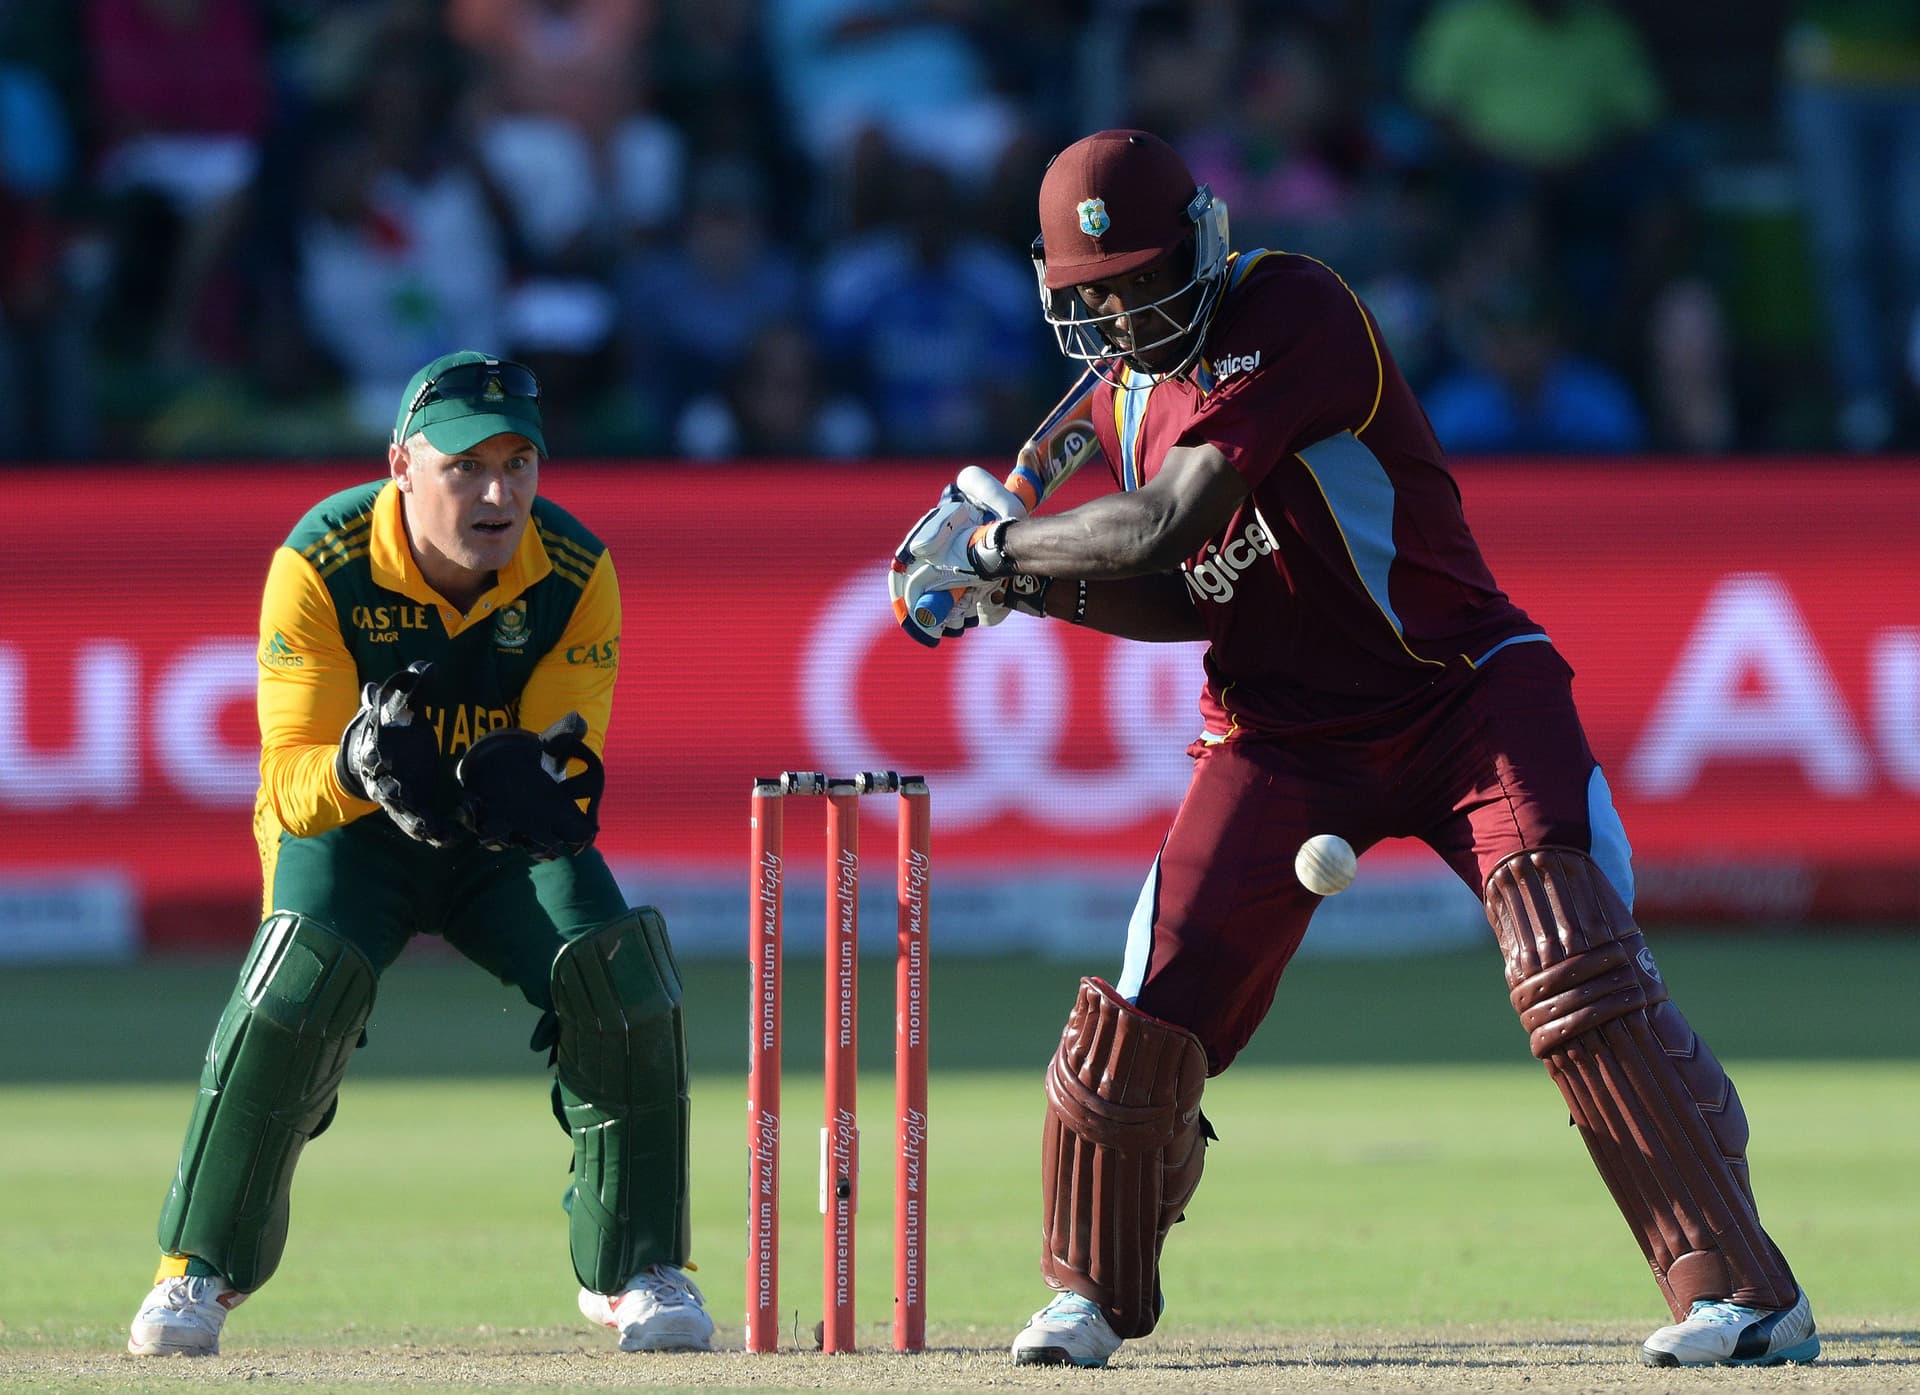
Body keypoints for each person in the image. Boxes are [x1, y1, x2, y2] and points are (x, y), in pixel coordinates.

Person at [890, 130, 1818, 1370]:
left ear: (1206, 244)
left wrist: (1003, 554)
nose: (1127, 311)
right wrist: (1032, 594)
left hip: (1461, 695)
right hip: (1279, 732)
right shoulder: (1119, 397)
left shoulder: (1296, 307)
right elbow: (1187, 590)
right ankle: (1090, 1296)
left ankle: (1747, 1296)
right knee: (1142, 1022)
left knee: (1572, 964)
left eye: (1148, 279)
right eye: (1098, 296)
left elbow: (1176, 516)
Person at [127, 350, 712, 1357]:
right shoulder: (321, 560)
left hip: (490, 845)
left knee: (623, 979)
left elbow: (562, 782)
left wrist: (532, 786)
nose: (499, 493)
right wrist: (360, 763)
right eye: (465, 468)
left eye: (519, 463)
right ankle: (197, 1270)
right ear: (402, 466)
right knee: (294, 985)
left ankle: (638, 1266)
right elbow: (285, 789)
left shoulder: (574, 573)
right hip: (356, 833)